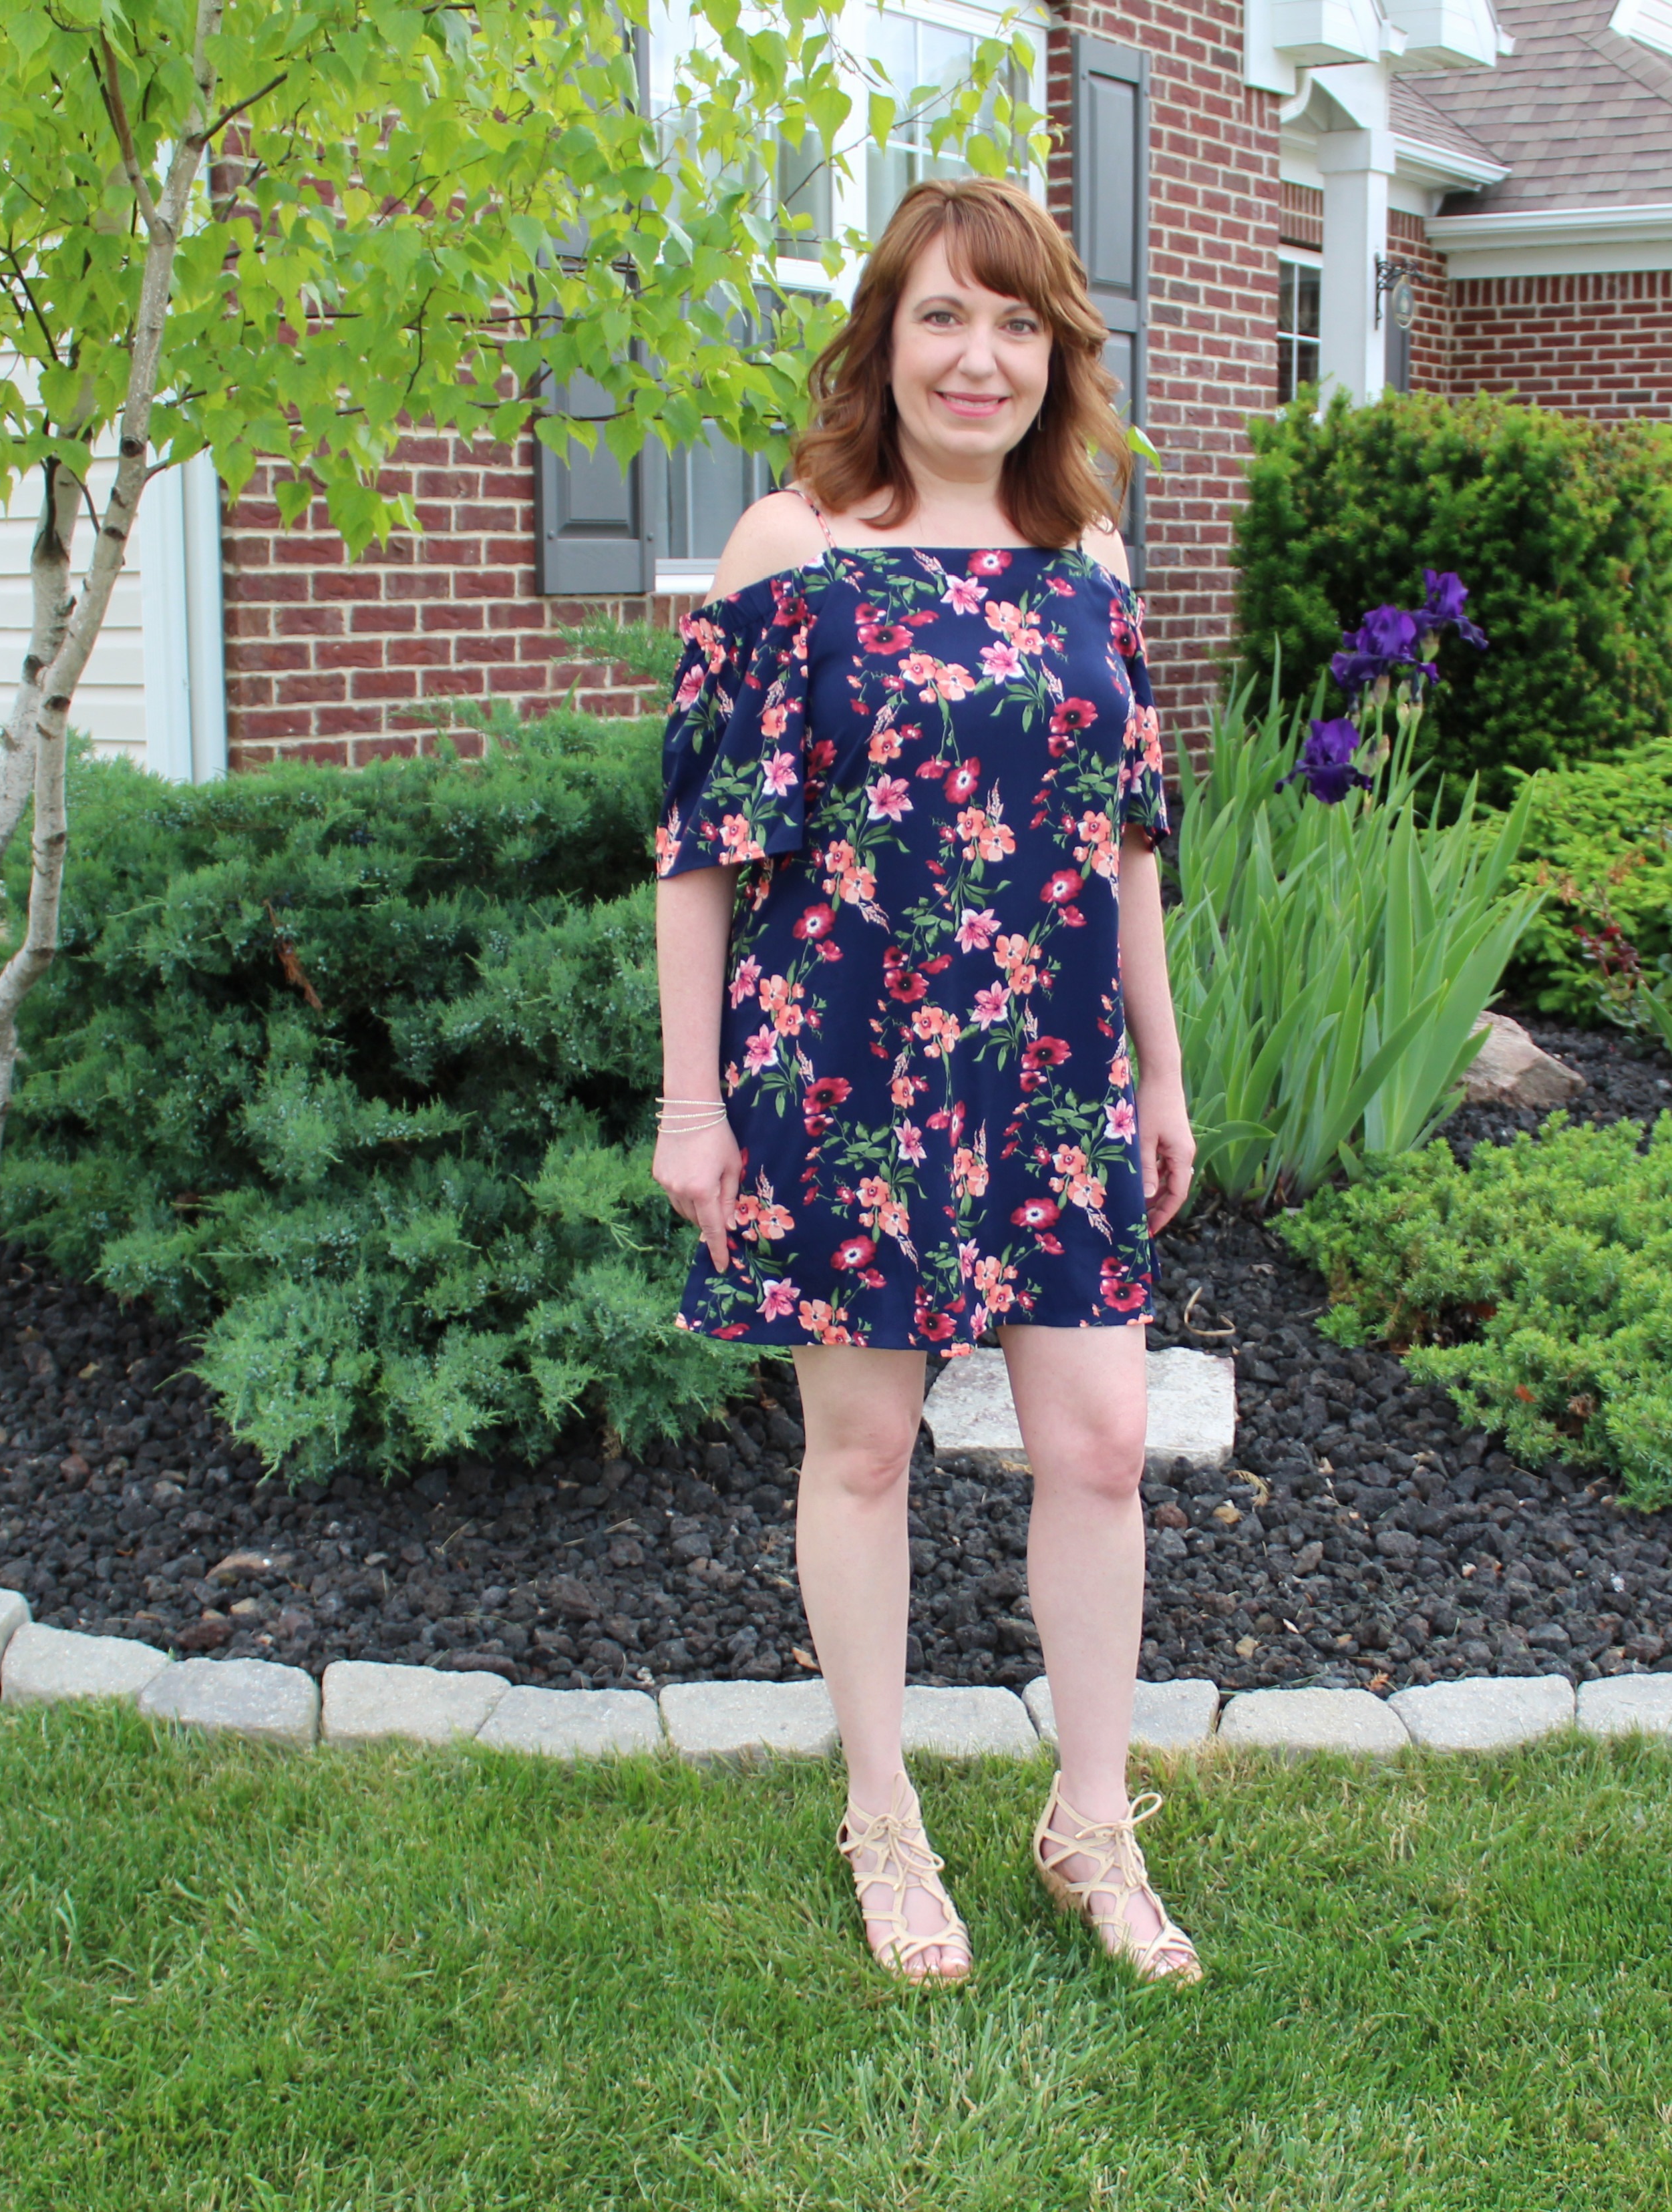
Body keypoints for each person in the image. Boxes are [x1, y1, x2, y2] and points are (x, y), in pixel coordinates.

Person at [651, 175, 1200, 1987]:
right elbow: (701, 851)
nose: (982, 357)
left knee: (1101, 1447)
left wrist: (1160, 1075)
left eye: (1019, 322)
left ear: (1058, 354)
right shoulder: (786, 547)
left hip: (1047, 1077)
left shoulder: (1089, 561)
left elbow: (1126, 843)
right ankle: (881, 1814)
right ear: (884, 342)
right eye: (945, 318)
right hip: (842, 1068)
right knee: (867, 1446)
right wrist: (689, 1101)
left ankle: (1087, 1823)